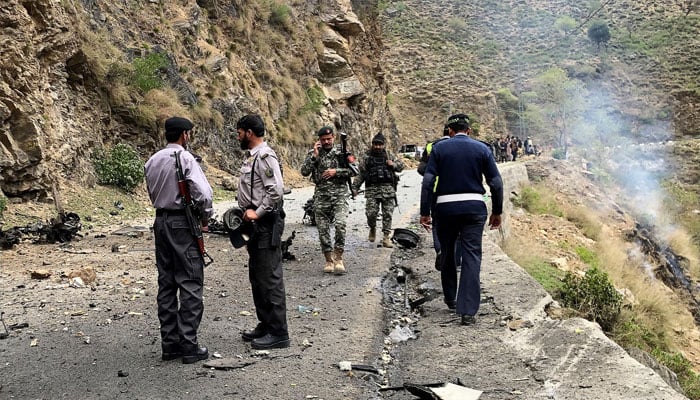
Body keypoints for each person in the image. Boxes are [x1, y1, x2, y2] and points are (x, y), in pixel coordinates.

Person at [419, 113, 503, 326]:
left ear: (449, 131)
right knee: (472, 255)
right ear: (469, 130)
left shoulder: (438, 149)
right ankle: (467, 312)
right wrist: (497, 211)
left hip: (445, 209)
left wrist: (425, 211)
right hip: (474, 208)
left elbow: (428, 181)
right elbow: (495, 182)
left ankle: (450, 298)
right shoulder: (482, 149)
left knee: (446, 252)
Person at [144, 116, 213, 363]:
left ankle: (170, 344)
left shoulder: (152, 160)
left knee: (166, 283)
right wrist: (205, 218)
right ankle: (189, 345)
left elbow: (152, 193)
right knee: (191, 281)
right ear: (185, 135)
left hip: (160, 222)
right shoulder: (184, 158)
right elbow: (204, 195)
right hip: (182, 223)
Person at [235, 114, 290, 350]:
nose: (237, 136)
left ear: (249, 132)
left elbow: (275, 191)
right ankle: (265, 324)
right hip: (254, 224)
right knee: (257, 277)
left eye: (239, 131)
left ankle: (279, 332)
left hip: (266, 222)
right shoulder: (252, 158)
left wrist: (258, 212)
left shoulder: (265, 156)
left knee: (270, 278)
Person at [300, 126, 358, 274]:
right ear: (319, 140)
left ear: (333, 138)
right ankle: (328, 260)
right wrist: (314, 156)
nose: (326, 142)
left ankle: (338, 257)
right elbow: (304, 172)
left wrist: (336, 172)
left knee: (340, 224)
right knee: (323, 229)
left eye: (329, 139)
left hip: (340, 195)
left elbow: (355, 170)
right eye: (323, 139)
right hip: (321, 196)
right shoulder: (314, 154)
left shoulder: (343, 153)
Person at [352, 133, 404, 248]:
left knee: (388, 214)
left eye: (380, 144)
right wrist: (355, 187)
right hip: (372, 190)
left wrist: (393, 165)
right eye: (375, 144)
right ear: (372, 144)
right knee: (371, 213)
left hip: (388, 190)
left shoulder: (389, 155)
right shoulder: (366, 157)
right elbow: (361, 174)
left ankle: (386, 237)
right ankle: (372, 228)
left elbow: (401, 166)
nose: (377, 147)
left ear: (383, 145)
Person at [417, 125, 450, 267]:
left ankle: (440, 250)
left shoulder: (431, 146)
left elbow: (421, 169)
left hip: (435, 190)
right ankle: (457, 257)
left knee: (437, 222)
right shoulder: (463, 145)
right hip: (454, 189)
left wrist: (433, 167)